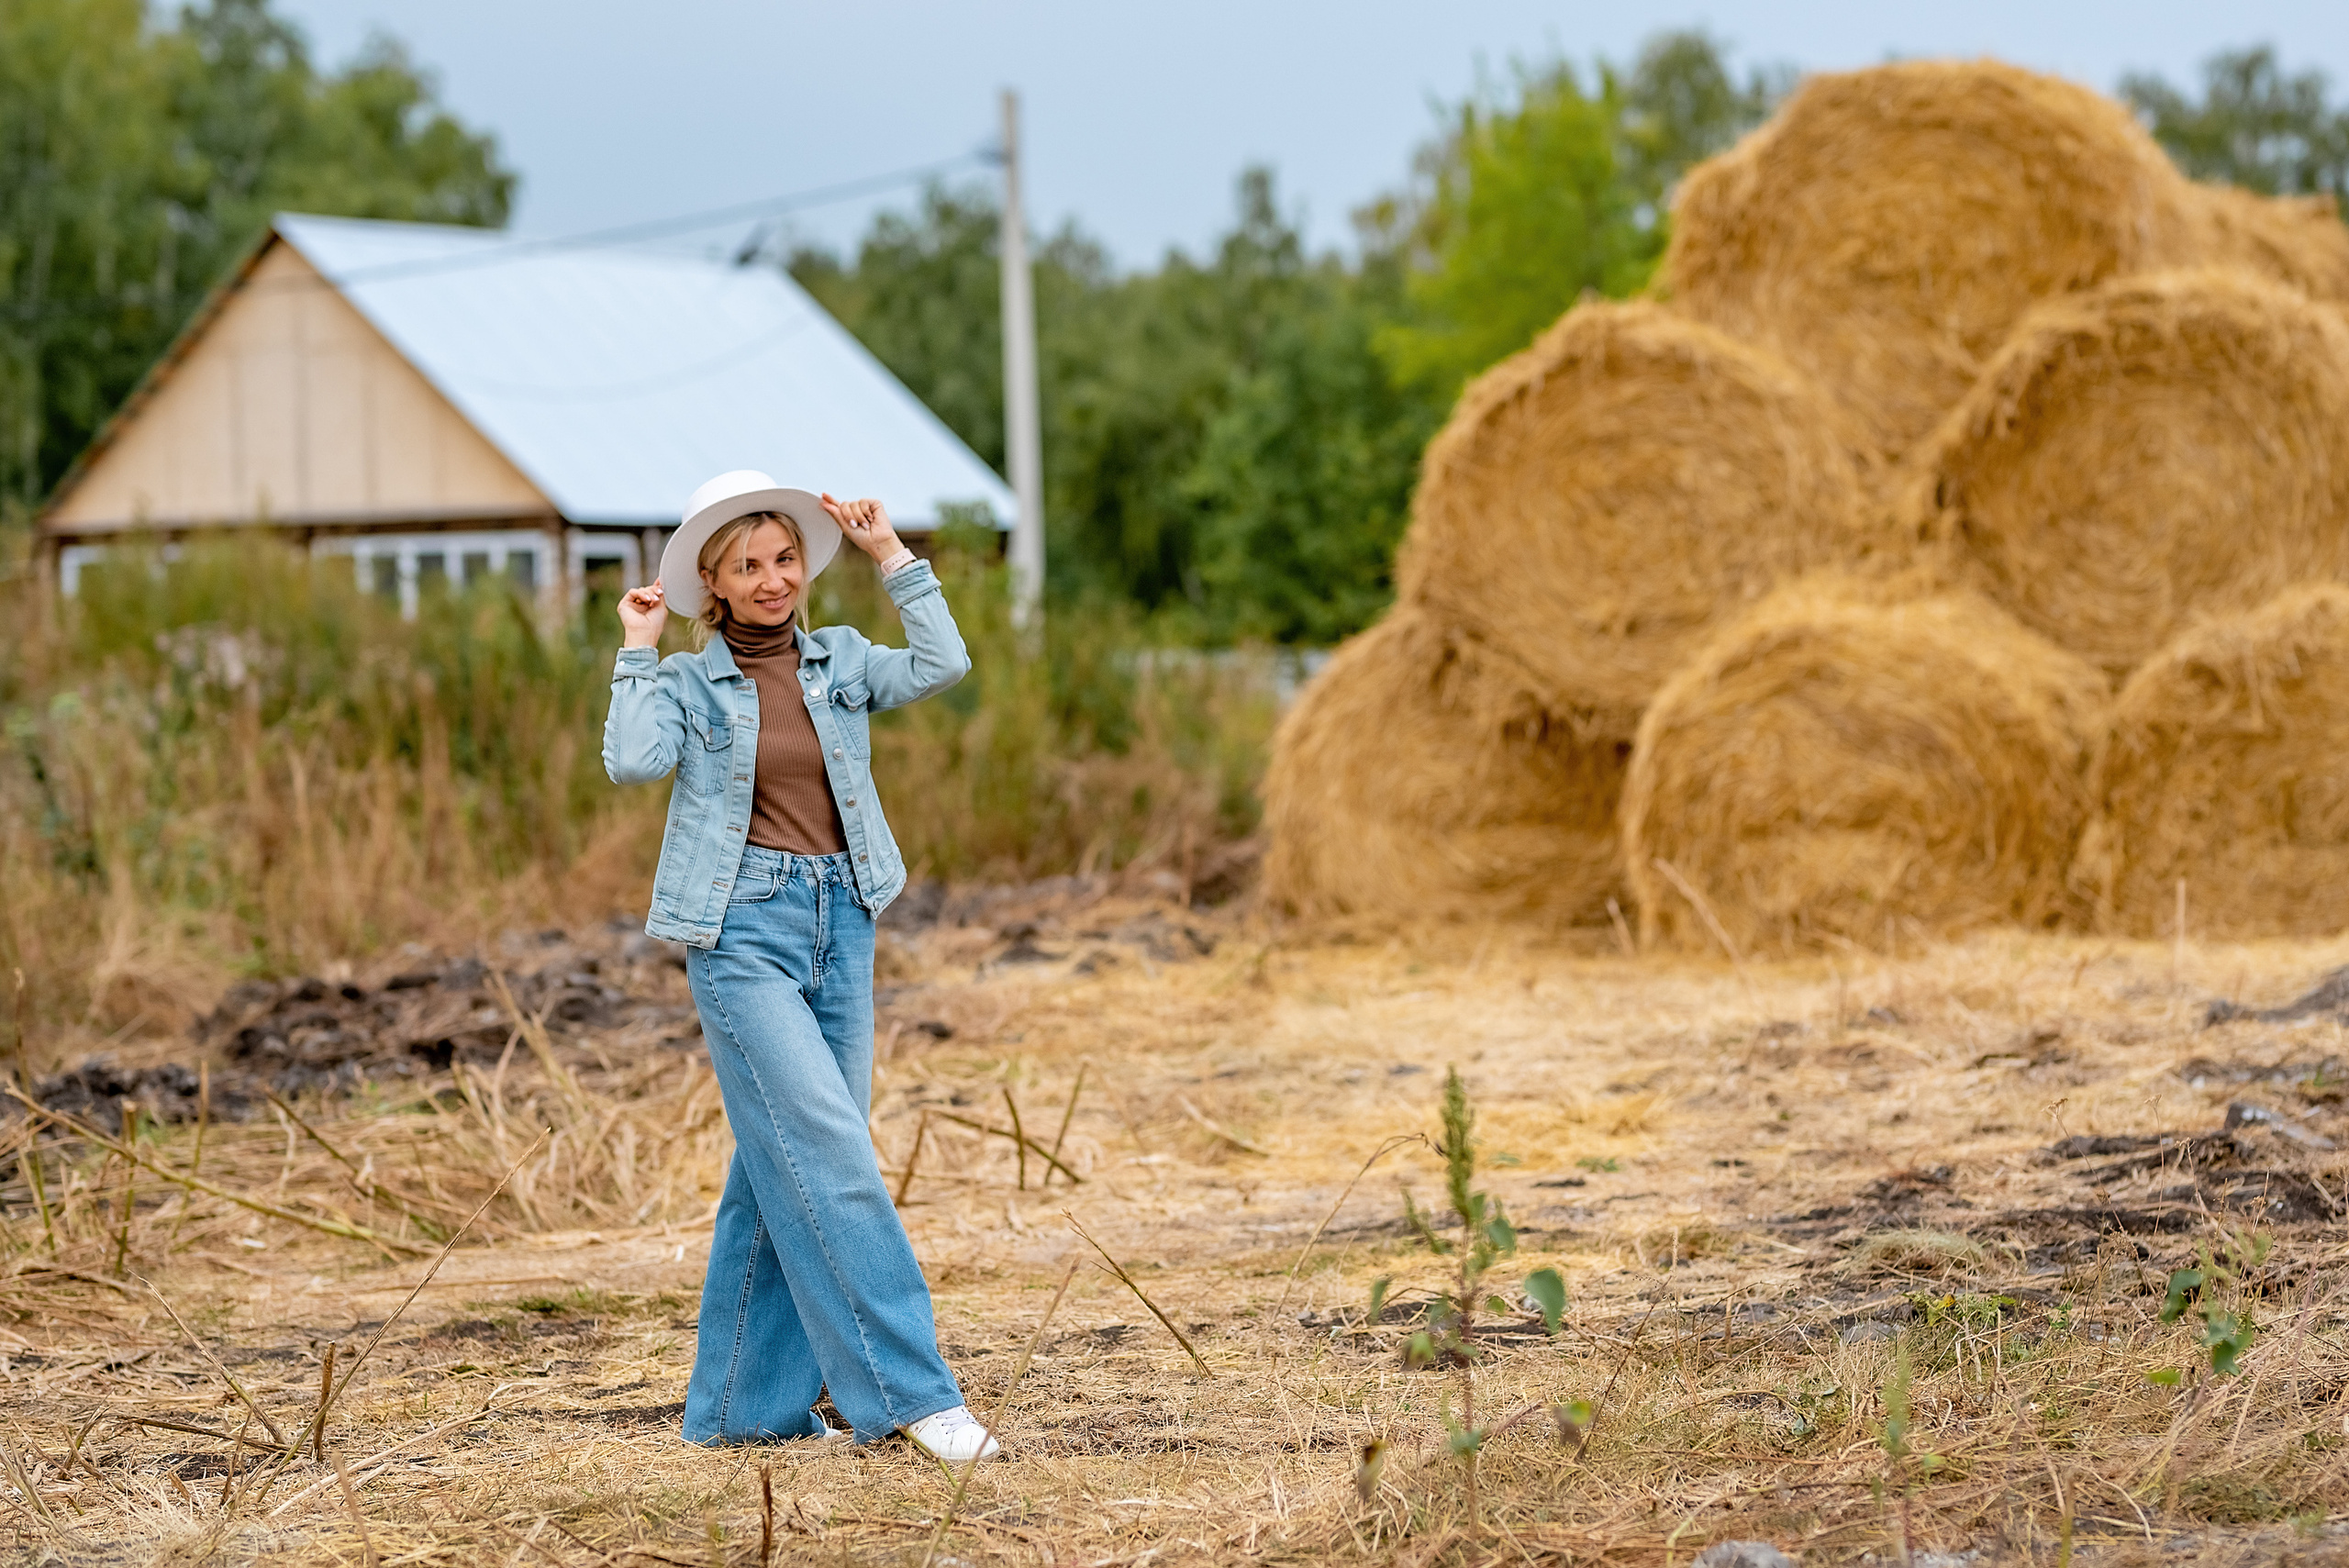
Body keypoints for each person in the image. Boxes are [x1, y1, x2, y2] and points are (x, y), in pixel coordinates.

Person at [602, 469, 997, 1462]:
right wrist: (637, 652)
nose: (773, 580)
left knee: (779, 1161)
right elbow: (634, 761)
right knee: (832, 1156)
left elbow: (943, 664)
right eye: (748, 565)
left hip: (843, 918)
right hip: (742, 931)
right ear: (714, 583)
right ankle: (912, 1394)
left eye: (784, 559)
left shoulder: (843, 661)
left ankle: (739, 1410)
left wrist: (892, 558)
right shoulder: (691, 681)